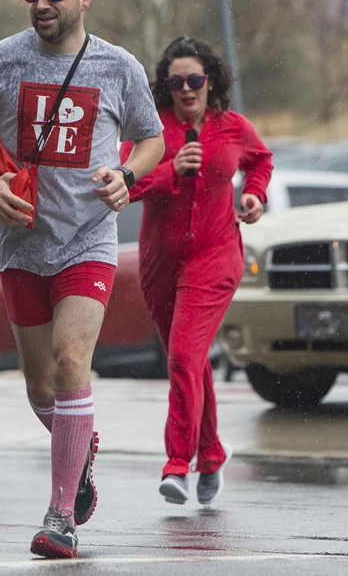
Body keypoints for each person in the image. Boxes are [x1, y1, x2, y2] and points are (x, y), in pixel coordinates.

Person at [0, 0, 164, 559]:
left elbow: (152, 138)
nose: (41, 3)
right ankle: (80, 441)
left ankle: (60, 516)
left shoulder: (118, 68)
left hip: (89, 238)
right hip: (21, 243)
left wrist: (127, 176)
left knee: (72, 364)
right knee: (41, 387)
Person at [119, 36, 272, 508]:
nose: (187, 89)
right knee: (190, 361)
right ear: (166, 87)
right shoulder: (152, 132)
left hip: (216, 254)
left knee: (184, 357)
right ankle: (211, 453)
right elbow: (127, 183)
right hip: (160, 262)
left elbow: (261, 161)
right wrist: (171, 170)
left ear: (211, 81)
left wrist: (254, 196)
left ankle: (176, 464)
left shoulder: (232, 127)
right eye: (177, 82)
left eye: (196, 80)